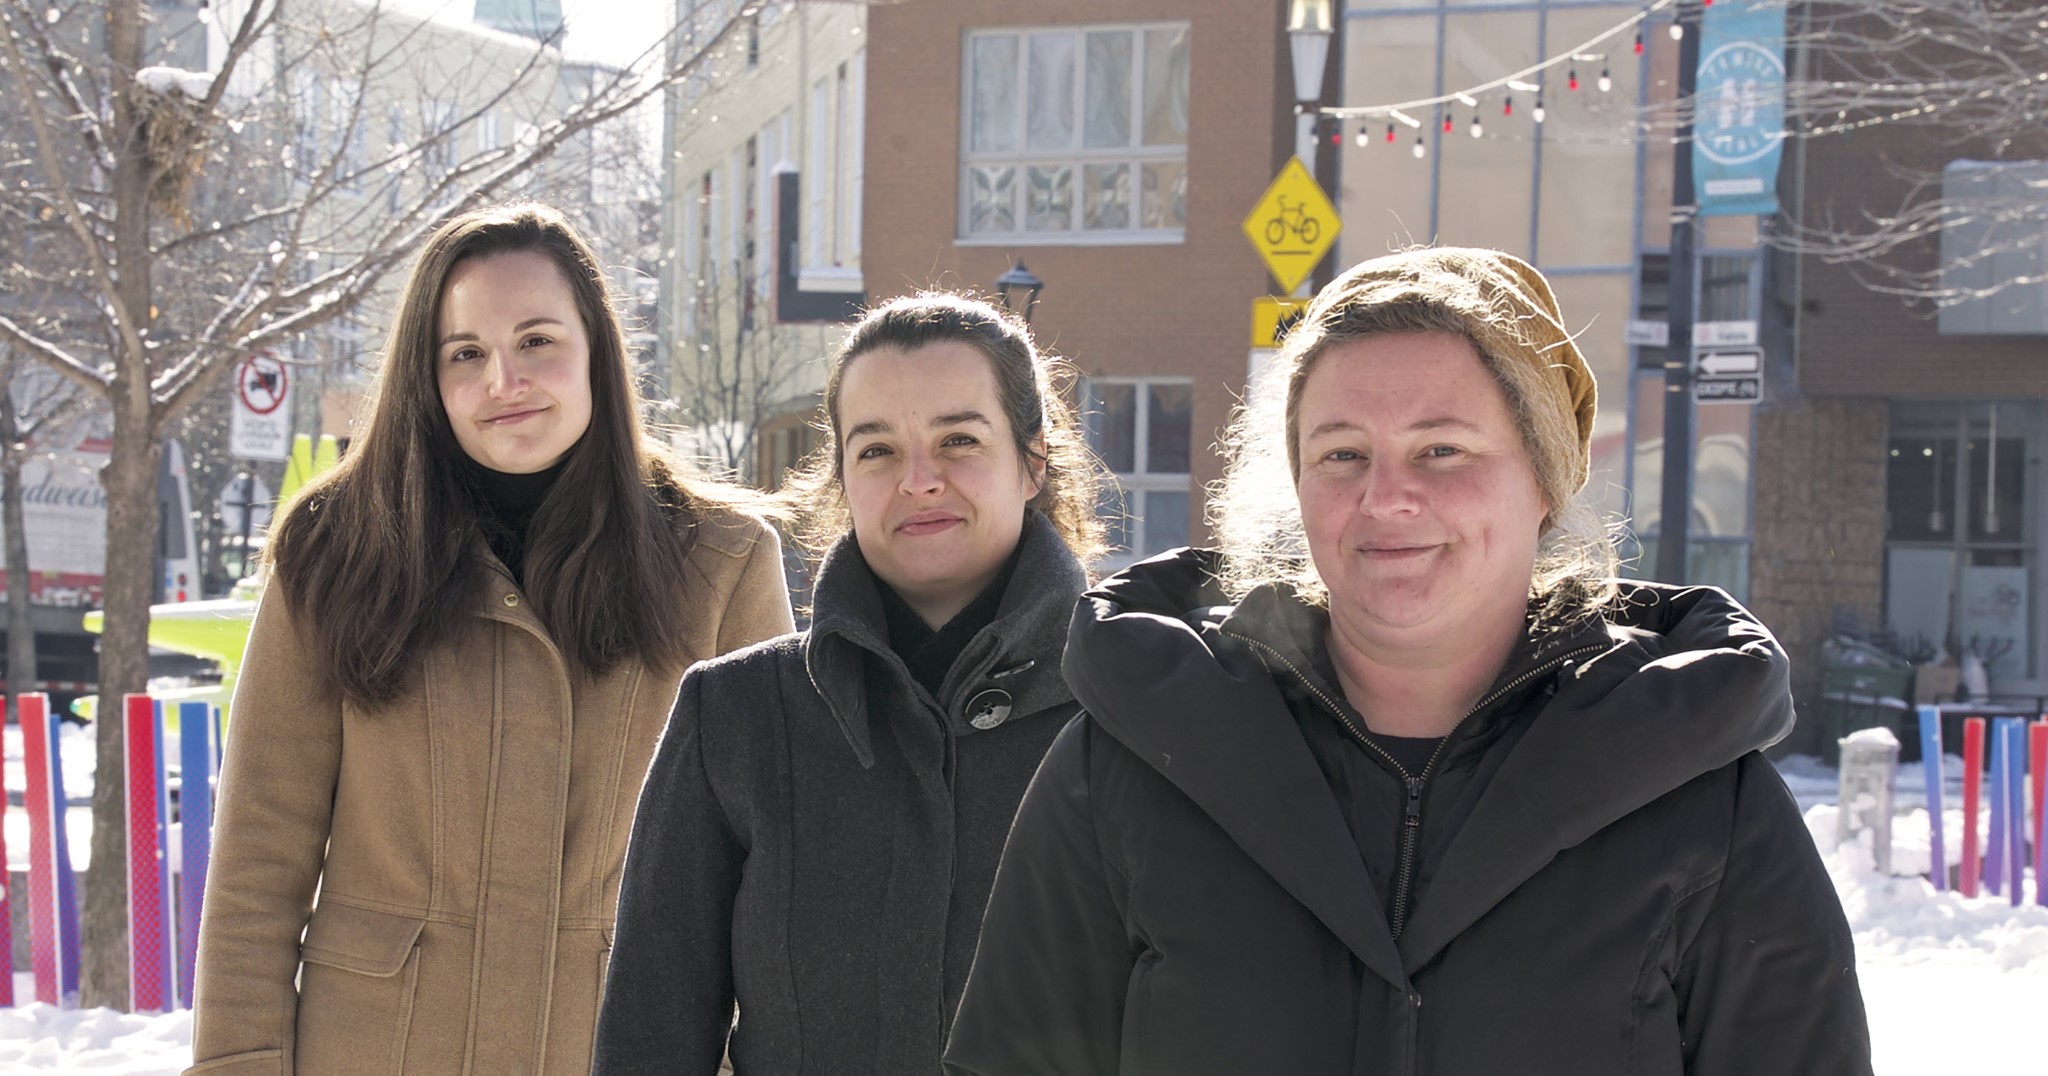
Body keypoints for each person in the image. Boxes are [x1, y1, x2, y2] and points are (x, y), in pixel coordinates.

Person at [945, 247, 1873, 1075]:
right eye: (1342, 453)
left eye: (1442, 449)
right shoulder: (1130, 763)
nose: (1387, 498)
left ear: (1545, 478)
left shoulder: (1702, 794)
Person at [187, 203, 795, 1074]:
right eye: (465, 354)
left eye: (537, 341)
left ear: (596, 350)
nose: (503, 380)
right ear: (427, 378)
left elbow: (766, 882)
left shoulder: (720, 563)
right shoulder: (338, 550)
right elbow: (259, 856)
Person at [592, 292, 1105, 1074]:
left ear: (1033, 461)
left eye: (959, 440)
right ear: (841, 476)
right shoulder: (735, 717)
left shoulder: (1133, 710)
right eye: (876, 450)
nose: (920, 480)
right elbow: (648, 1041)